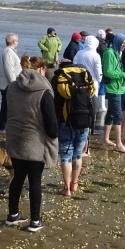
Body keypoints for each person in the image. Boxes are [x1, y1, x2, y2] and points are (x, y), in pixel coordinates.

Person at [5, 56, 59, 232]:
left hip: (15, 139)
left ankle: (13, 215)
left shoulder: (11, 87)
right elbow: (51, 123)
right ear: (41, 70)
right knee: (35, 181)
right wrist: (53, 137)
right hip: (35, 142)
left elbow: (5, 113)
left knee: (18, 177)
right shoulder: (44, 92)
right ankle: (35, 221)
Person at [53, 63, 96, 197]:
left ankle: (66, 189)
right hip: (84, 122)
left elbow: (55, 103)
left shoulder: (60, 78)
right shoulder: (86, 81)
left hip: (66, 123)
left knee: (66, 155)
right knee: (78, 154)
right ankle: (74, 184)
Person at [101, 33, 125, 153]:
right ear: (117, 42)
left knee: (111, 113)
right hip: (113, 88)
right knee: (118, 115)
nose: (124, 46)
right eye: (123, 43)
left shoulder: (117, 52)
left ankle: (106, 139)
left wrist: (124, 80)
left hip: (118, 87)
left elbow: (116, 71)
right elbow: (108, 72)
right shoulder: (109, 53)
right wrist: (124, 75)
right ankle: (119, 144)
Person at [0, 32, 21, 134]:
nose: (18, 42)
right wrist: (14, 84)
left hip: (8, 84)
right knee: (6, 106)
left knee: (7, 106)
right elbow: (9, 69)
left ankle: (4, 127)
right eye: (17, 40)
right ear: (14, 41)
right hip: (8, 85)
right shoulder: (8, 52)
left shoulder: (9, 51)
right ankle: (3, 128)